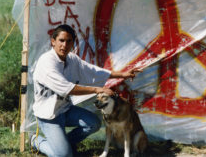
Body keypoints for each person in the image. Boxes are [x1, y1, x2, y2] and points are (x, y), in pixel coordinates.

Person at [30, 24, 140, 157]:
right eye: (61, 40)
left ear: (73, 43)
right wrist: (97, 89)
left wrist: (123, 74)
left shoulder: (71, 59)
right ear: (53, 42)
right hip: (49, 116)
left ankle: (63, 144)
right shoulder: (47, 62)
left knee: (93, 123)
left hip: (65, 110)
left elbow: (92, 71)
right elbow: (68, 89)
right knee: (64, 156)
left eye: (69, 41)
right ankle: (36, 141)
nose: (64, 45)